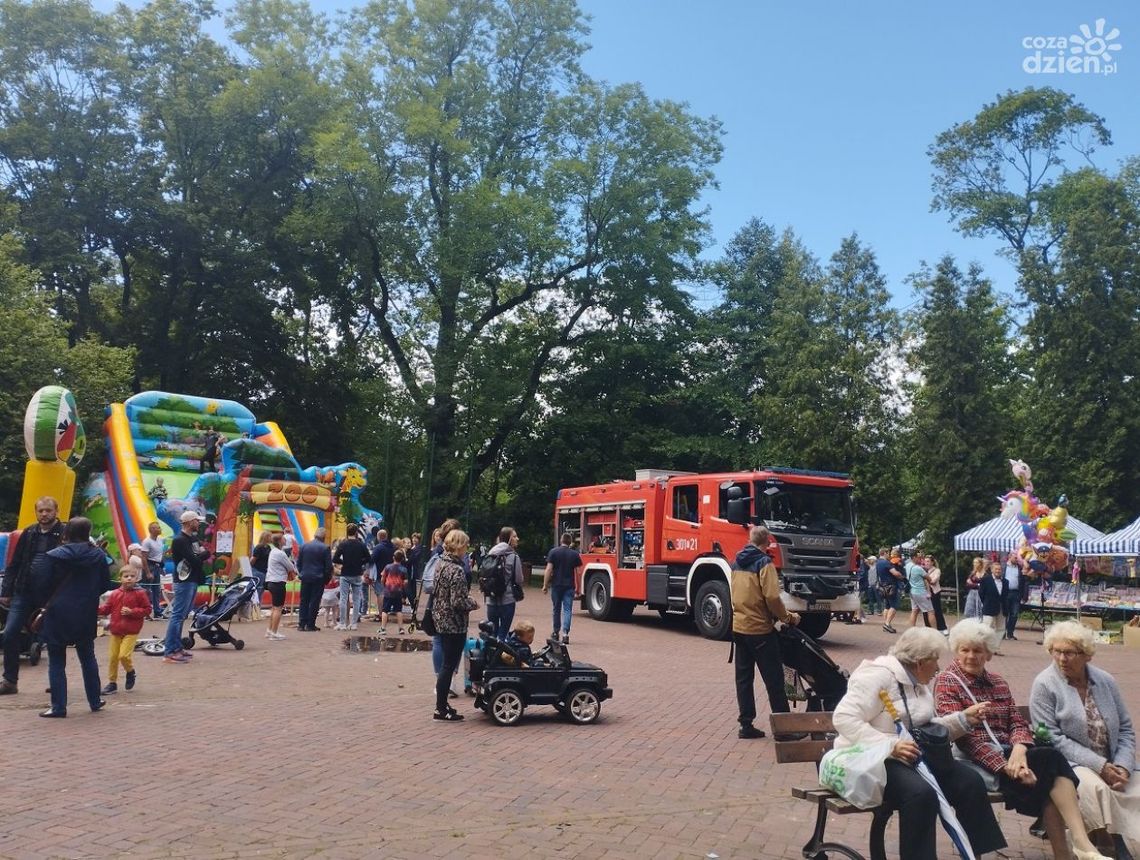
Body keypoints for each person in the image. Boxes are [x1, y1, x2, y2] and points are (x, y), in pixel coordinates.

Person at [935, 619, 1111, 860]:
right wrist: (1007, 767)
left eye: (978, 650)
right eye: (965, 650)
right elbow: (967, 741)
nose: (971, 656)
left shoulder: (998, 682)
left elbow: (1017, 723)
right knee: (1051, 764)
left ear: (989, 654)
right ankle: (1080, 845)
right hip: (976, 763)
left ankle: (1075, 848)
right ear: (956, 651)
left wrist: (1019, 750)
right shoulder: (948, 681)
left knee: (1050, 767)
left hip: (1013, 757)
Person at [832, 627, 1006, 860]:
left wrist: (963, 719)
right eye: (935, 660)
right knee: (921, 794)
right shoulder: (877, 677)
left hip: (915, 756)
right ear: (920, 662)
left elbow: (924, 728)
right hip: (876, 759)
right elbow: (844, 718)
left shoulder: (917, 681)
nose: (938, 667)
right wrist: (890, 746)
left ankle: (974, 854)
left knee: (969, 782)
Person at [1030, 621, 1140, 859]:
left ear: (1087, 655)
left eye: (1070, 653)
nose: (1062, 658)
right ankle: (1112, 843)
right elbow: (1052, 738)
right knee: (1095, 788)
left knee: (1136, 787)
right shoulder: (1044, 684)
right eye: (1056, 651)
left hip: (1113, 760)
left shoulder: (1105, 681)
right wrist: (1100, 766)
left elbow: (1125, 729)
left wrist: (1122, 766)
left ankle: (1121, 839)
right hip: (1071, 763)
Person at [730, 525, 800, 740]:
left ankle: (746, 724)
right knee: (774, 679)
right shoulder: (764, 563)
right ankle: (783, 729)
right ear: (767, 542)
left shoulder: (736, 561)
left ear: (750, 540)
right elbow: (771, 597)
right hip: (759, 628)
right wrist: (788, 617)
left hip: (739, 627)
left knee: (744, 678)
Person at [39, 517, 113, 717]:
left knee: (56, 659)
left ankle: (58, 707)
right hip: (85, 609)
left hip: (57, 610)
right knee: (87, 656)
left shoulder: (54, 555)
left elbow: (43, 583)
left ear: (67, 532)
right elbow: (105, 584)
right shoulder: (98, 555)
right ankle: (95, 700)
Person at [0, 496, 64, 695]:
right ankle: (10, 681)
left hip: (52, 595)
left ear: (56, 511)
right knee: (10, 633)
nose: (44, 514)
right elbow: (14, 563)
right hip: (24, 591)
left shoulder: (65, 533)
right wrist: (6, 591)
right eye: (40, 510)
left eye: (48, 510)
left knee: (55, 638)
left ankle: (57, 682)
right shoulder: (28, 533)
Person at [430, 528, 478, 721]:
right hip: (454, 623)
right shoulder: (456, 570)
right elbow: (458, 602)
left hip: (440, 618)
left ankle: (442, 705)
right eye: (465, 545)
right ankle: (441, 708)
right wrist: (473, 603)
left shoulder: (441, 563)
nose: (467, 548)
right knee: (448, 666)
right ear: (459, 546)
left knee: (446, 665)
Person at [98, 565, 152, 695]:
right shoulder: (115, 594)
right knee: (113, 657)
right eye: (126, 576)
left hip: (131, 631)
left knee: (123, 655)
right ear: (120, 578)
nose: (129, 579)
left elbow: (147, 609)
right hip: (116, 630)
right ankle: (112, 683)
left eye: (132, 576)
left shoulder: (140, 593)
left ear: (136, 579)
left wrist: (132, 611)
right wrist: (94, 608)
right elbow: (106, 609)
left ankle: (130, 671)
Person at [164, 510, 208, 664]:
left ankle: (177, 647)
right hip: (184, 581)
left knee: (182, 615)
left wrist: (200, 556)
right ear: (189, 523)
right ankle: (170, 651)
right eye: (196, 521)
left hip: (192, 579)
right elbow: (195, 559)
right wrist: (201, 556)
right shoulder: (179, 540)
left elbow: (200, 555)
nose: (199, 523)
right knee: (177, 615)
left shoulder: (192, 539)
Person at [482, 526, 525, 640]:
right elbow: (519, 579)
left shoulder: (490, 554)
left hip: (491, 599)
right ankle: (500, 650)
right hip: (507, 599)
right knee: (503, 632)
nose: (517, 539)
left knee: (492, 632)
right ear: (508, 539)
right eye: (514, 536)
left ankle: (491, 650)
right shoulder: (513, 557)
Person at [542, 532, 582, 644]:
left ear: (561, 540)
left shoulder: (553, 552)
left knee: (556, 609)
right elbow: (578, 572)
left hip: (556, 585)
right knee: (567, 610)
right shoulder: (575, 554)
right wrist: (578, 587)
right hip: (569, 586)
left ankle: (555, 632)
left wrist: (545, 585)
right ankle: (565, 634)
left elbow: (549, 569)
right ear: (570, 542)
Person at [332, 524, 369, 631]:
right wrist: (359, 563)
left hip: (345, 573)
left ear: (347, 532)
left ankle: (342, 623)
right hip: (357, 573)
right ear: (356, 532)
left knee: (343, 598)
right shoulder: (361, 545)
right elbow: (368, 558)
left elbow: (335, 558)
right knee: (357, 599)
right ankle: (354, 624)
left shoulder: (343, 544)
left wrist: (344, 562)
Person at [296, 527, 332, 632]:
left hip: (305, 576)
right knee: (314, 601)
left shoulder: (304, 546)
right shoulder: (325, 548)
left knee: (304, 600)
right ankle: (310, 624)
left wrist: (302, 573)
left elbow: (299, 563)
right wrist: (326, 579)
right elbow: (328, 567)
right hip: (318, 578)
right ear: (324, 537)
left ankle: (301, 624)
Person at [264, 533, 296, 640]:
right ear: (279, 541)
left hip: (271, 581)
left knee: (274, 607)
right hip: (278, 582)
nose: (285, 540)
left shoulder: (273, 552)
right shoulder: (280, 553)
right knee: (278, 608)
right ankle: (274, 632)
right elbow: (290, 566)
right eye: (283, 539)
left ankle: (269, 630)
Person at [875, 546, 905, 634]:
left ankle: (886, 624)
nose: (889, 555)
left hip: (883, 586)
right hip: (891, 586)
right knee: (894, 605)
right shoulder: (886, 563)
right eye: (888, 553)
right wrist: (902, 576)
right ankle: (887, 624)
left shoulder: (877, 563)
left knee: (887, 606)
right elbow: (895, 573)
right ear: (884, 553)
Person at [368, 529, 396, 621]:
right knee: (388, 594)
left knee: (380, 593)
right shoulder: (393, 547)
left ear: (378, 537)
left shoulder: (378, 547)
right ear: (386, 536)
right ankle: (386, 612)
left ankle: (381, 614)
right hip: (391, 574)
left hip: (380, 573)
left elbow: (372, 559)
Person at [140, 521, 166, 619]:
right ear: (152, 530)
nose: (160, 529)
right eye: (157, 527)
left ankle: (157, 612)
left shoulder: (160, 540)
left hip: (157, 566)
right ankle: (145, 613)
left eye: (159, 527)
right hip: (149, 565)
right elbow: (144, 558)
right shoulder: (147, 542)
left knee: (157, 590)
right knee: (146, 590)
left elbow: (160, 555)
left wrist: (162, 567)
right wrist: (147, 572)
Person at [379, 549, 408, 635]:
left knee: (385, 610)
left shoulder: (388, 567)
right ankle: (401, 628)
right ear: (402, 559)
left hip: (388, 591)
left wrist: (384, 585)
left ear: (393, 558)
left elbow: (383, 578)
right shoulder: (404, 569)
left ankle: (383, 628)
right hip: (398, 591)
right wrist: (402, 587)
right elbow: (406, 581)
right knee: (398, 610)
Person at [1002, 553, 1028, 641]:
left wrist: (1024, 595)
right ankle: (1002, 633)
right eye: (1015, 558)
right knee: (1004, 614)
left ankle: (1010, 633)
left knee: (1014, 614)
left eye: (1017, 558)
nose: (1017, 559)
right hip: (1005, 593)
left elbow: (1024, 582)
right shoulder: (1003, 567)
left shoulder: (1020, 568)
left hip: (1016, 593)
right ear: (1009, 557)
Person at [906, 551, 934, 629]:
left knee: (914, 610)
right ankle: (934, 630)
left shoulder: (907, 566)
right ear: (914, 557)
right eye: (919, 557)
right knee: (931, 611)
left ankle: (911, 629)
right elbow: (929, 578)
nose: (920, 559)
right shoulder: (918, 568)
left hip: (912, 591)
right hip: (920, 592)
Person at [980, 560, 1005, 630]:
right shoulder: (985, 580)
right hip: (989, 608)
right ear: (992, 570)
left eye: (999, 569)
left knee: (1000, 629)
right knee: (987, 629)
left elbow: (1005, 596)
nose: (998, 571)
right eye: (996, 569)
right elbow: (981, 594)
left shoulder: (1005, 581)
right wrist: (986, 603)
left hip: (1001, 609)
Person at [926, 555, 948, 634]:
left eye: (928, 561)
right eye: (925, 561)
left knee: (937, 609)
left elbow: (934, 581)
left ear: (932, 562)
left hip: (935, 592)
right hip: (926, 592)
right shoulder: (924, 570)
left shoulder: (937, 570)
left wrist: (926, 579)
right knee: (928, 611)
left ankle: (942, 627)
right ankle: (929, 627)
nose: (926, 563)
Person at [249, 529, 272, 605]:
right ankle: (254, 606)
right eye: (270, 536)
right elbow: (253, 559)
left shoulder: (268, 547)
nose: (271, 538)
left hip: (263, 571)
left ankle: (257, 606)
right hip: (258, 570)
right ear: (266, 537)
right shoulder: (259, 547)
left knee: (260, 589)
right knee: (257, 589)